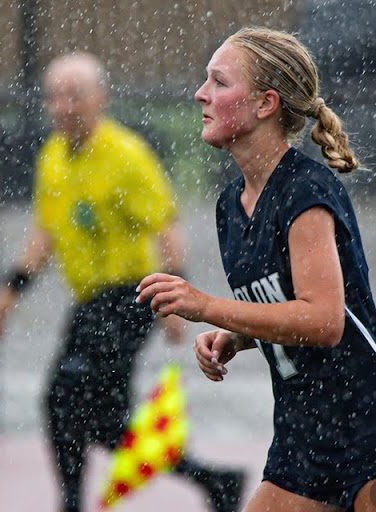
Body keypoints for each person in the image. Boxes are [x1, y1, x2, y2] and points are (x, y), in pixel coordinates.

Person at [0, 51, 245, 512]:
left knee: (62, 395)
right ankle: (212, 481)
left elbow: (168, 224)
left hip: (131, 296)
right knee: (103, 423)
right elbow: (45, 233)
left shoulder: (126, 155)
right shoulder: (53, 158)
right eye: (54, 97)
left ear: (100, 100)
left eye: (74, 96)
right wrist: (9, 292)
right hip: (90, 302)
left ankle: (70, 502)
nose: (63, 106)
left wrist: (176, 299)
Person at [136, 27, 376, 512]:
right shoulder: (231, 207)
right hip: (303, 429)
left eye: (220, 82)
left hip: (362, 420)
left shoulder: (304, 192)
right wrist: (237, 335)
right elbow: (282, 306)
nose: (201, 93)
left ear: (266, 104)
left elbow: (325, 322)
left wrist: (208, 307)